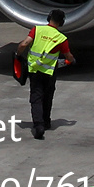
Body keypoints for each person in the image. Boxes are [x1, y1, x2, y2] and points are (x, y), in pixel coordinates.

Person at [14, 9, 72, 138]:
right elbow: (68, 56)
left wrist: (18, 55)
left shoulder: (37, 30)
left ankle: (39, 125)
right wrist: (71, 61)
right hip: (49, 72)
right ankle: (46, 122)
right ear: (61, 22)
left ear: (48, 18)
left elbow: (24, 43)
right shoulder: (61, 38)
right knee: (48, 97)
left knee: (36, 97)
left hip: (34, 70)